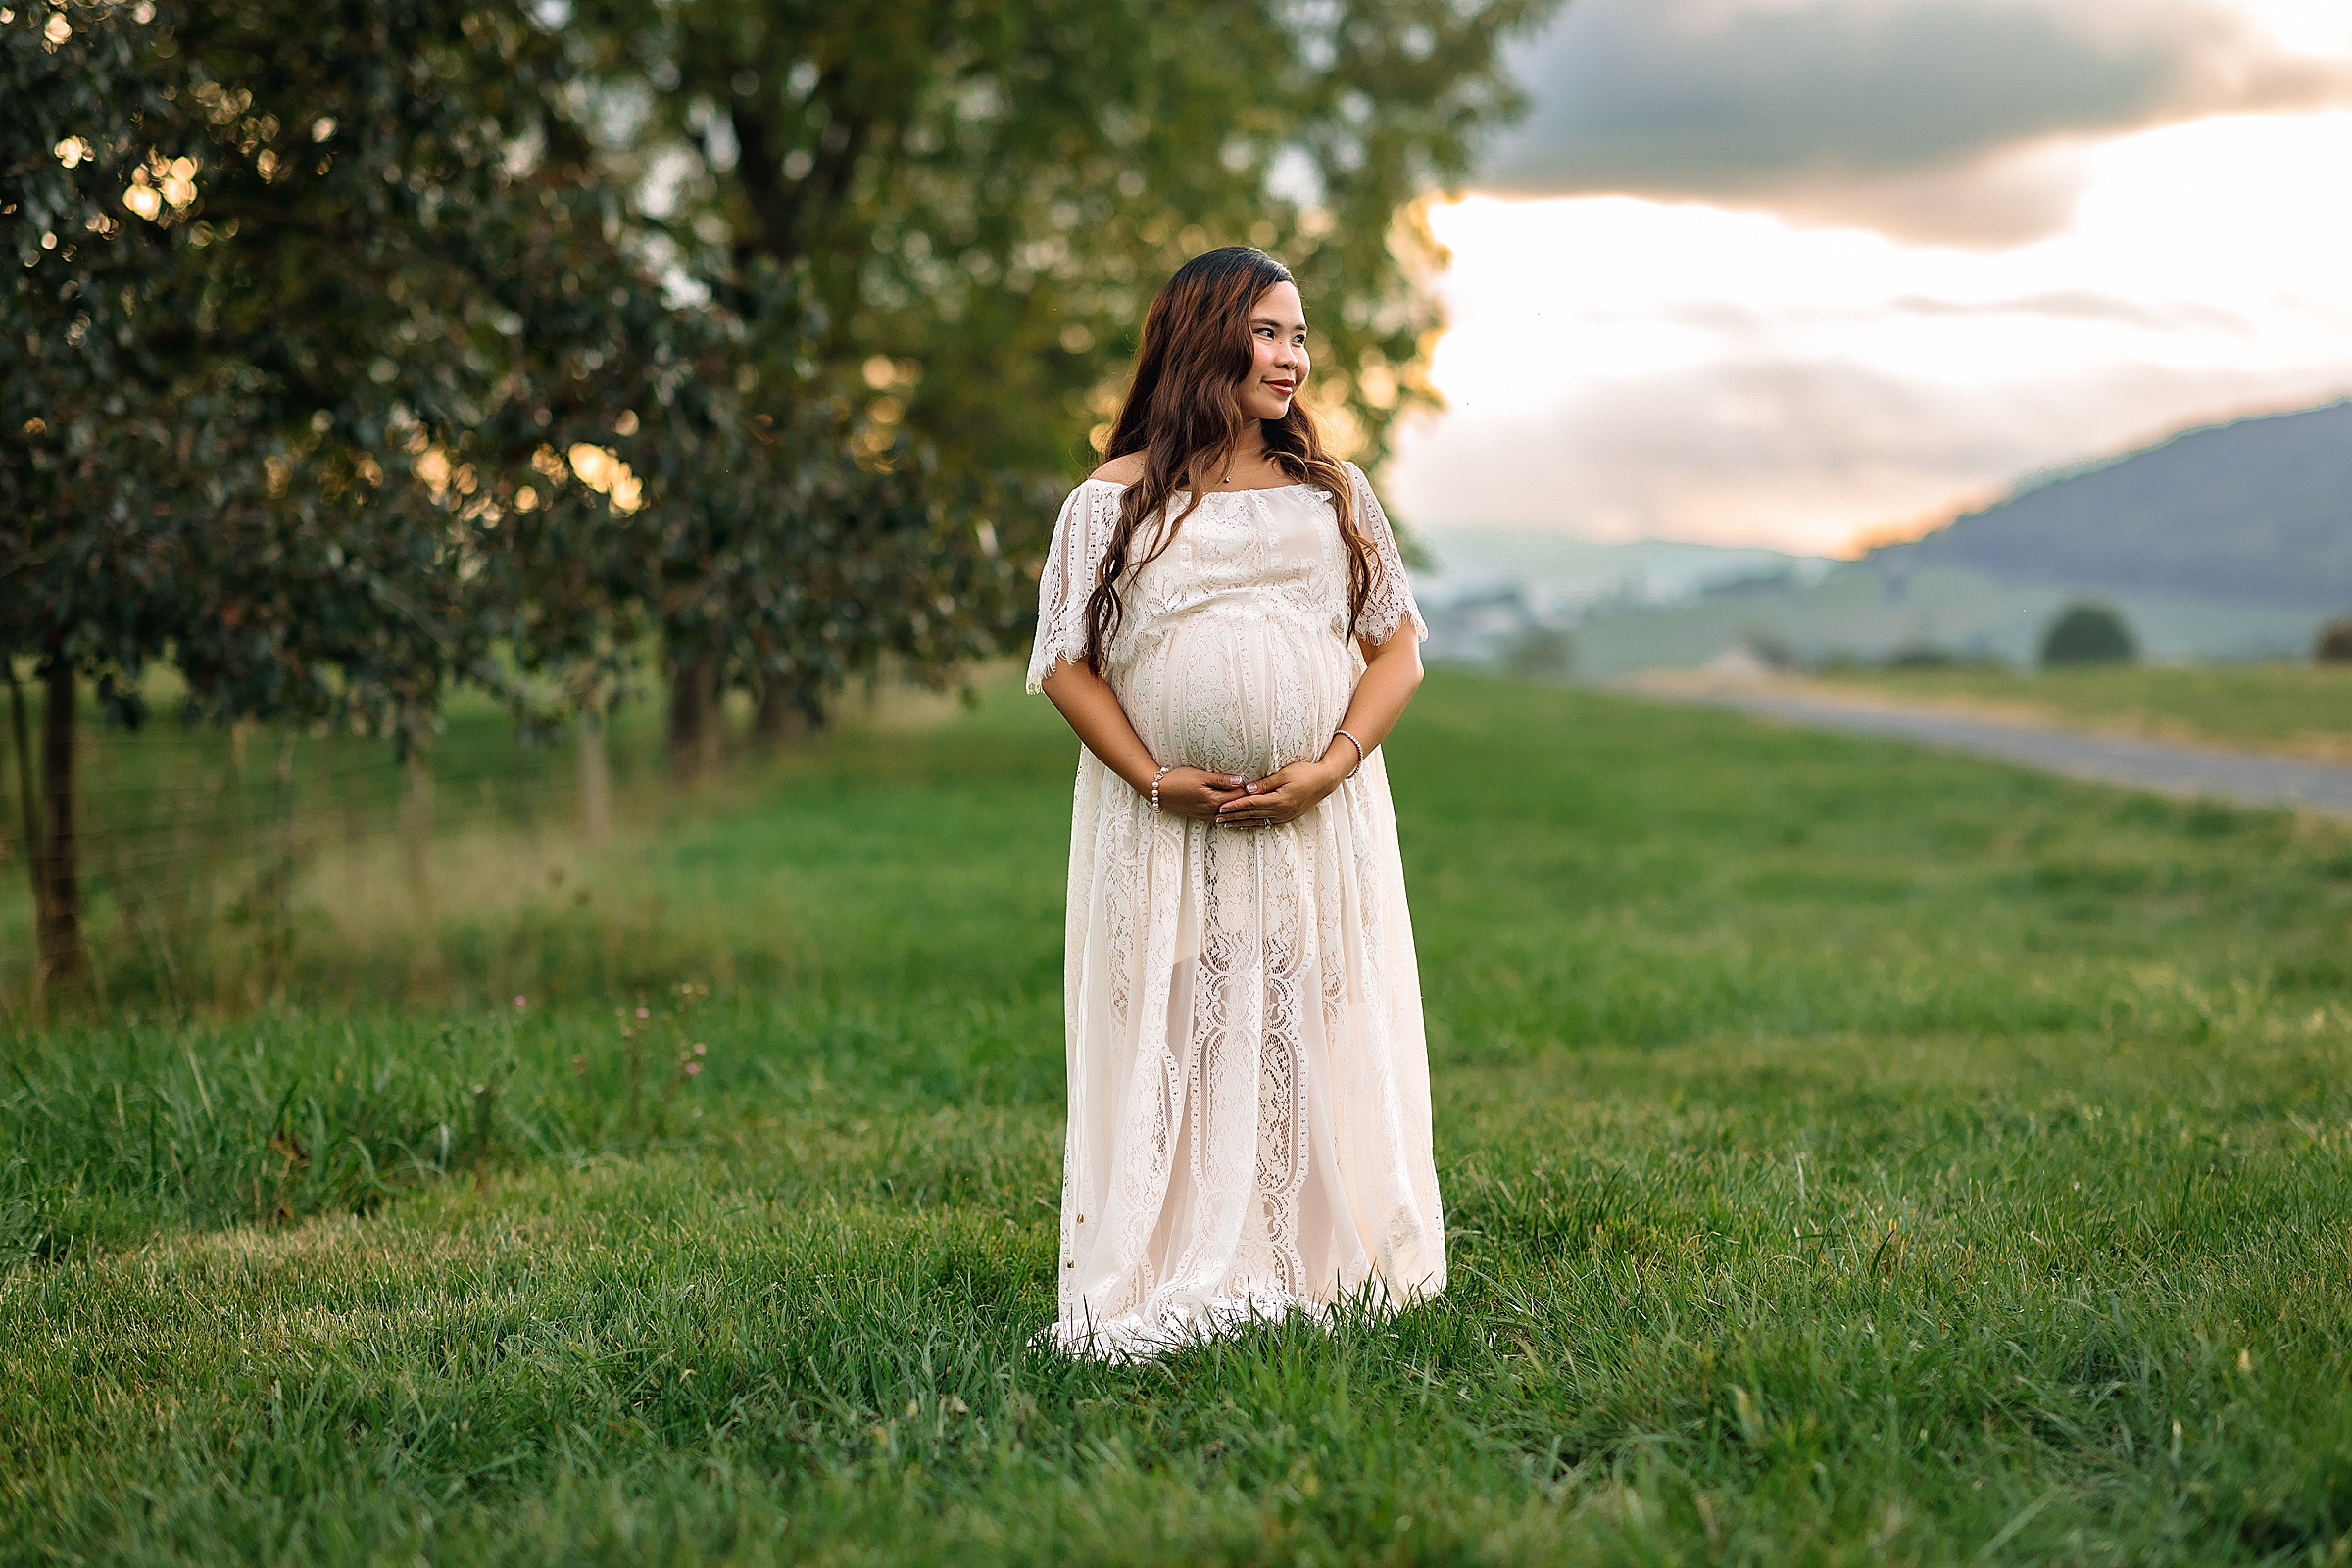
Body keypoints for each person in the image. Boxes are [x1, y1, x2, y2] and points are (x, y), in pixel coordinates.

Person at [1029, 246, 1446, 1360]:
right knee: (1179, 1013)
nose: (1293, 358)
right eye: (1271, 331)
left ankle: (1312, 1255)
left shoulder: (1333, 492)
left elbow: (1398, 646)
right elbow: (1065, 662)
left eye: (1301, 337)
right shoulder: (1107, 501)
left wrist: (1335, 761)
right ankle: (1172, 1253)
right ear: (1204, 334)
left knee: (1307, 1006)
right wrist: (1154, 778)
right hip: (1170, 822)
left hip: (1316, 814)